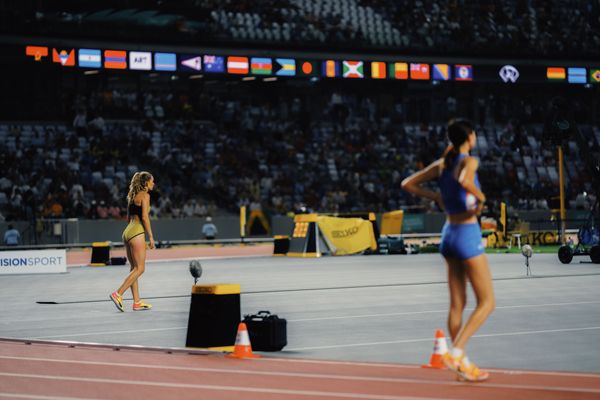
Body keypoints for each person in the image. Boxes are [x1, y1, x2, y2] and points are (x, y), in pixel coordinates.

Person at [401, 119, 495, 382]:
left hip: (448, 234)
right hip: (467, 233)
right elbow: (466, 181)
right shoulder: (469, 161)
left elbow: (407, 184)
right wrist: (483, 198)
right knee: (487, 302)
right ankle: (457, 352)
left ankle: (461, 364)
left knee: (457, 304)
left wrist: (437, 198)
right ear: (470, 137)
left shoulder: (441, 164)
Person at [110, 171, 156, 312]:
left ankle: (137, 302)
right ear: (146, 182)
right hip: (137, 231)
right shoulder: (145, 196)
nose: (153, 183)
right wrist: (151, 237)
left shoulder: (132, 196)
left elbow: (129, 218)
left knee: (133, 268)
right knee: (140, 268)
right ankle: (118, 293)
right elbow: (144, 217)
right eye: (152, 181)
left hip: (128, 231)